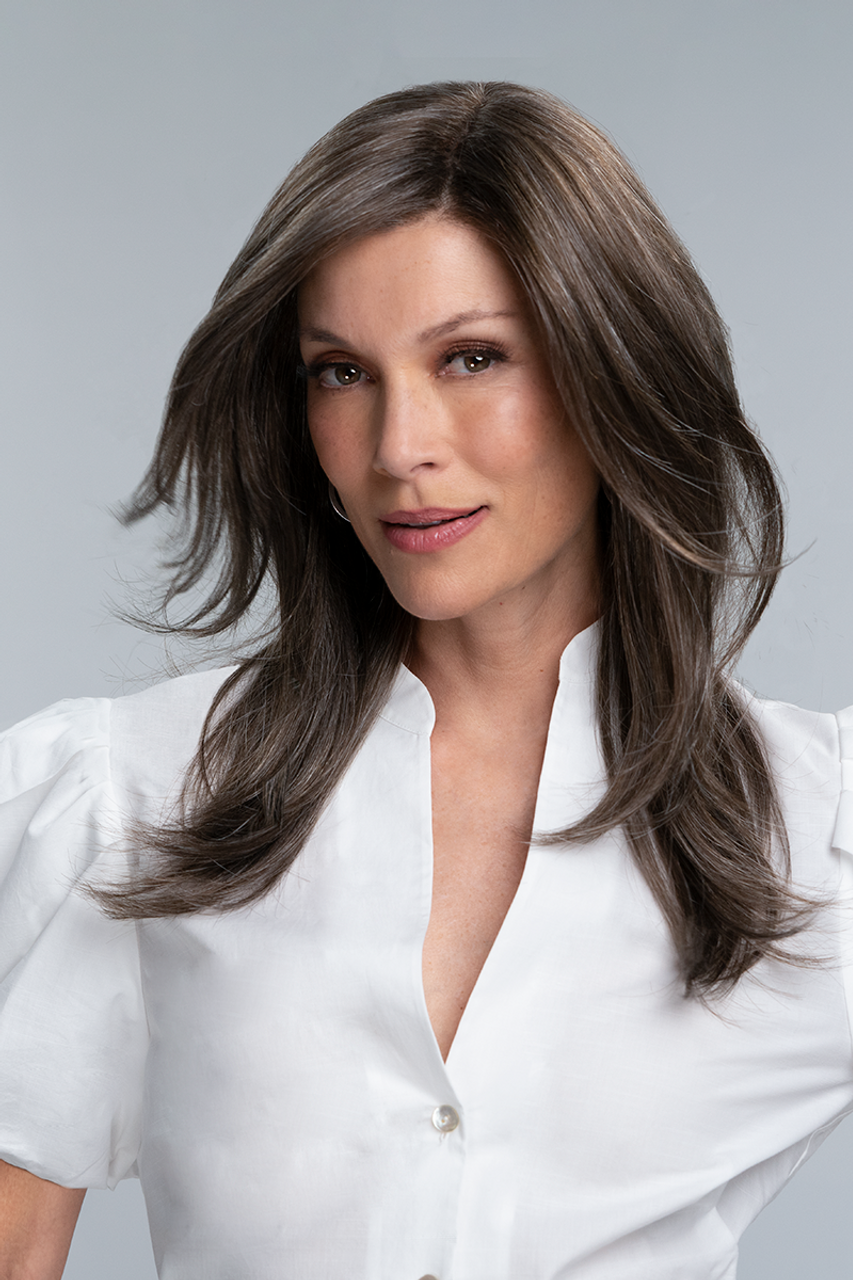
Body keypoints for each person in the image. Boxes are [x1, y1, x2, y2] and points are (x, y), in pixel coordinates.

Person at [0, 79, 850, 1280]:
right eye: (340, 372)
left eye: (471, 357)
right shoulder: (127, 799)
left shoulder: (813, 835)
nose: (400, 447)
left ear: (616, 367)